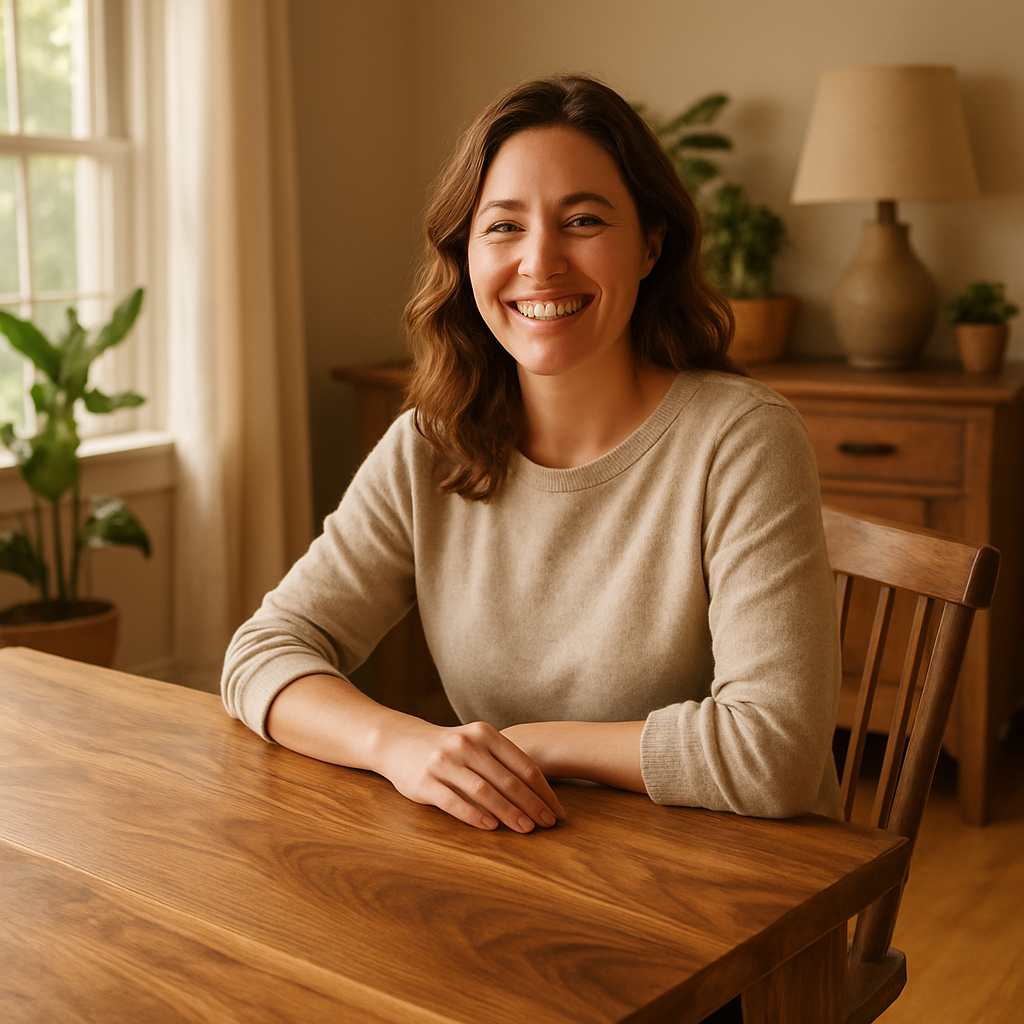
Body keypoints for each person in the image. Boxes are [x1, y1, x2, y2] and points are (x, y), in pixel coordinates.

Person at [221, 74, 843, 840]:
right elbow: (262, 652)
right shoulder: (432, 443)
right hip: (532, 865)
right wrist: (403, 746)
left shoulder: (741, 439)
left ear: (652, 244)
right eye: (504, 226)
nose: (540, 262)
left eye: (583, 220)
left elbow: (776, 752)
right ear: (467, 254)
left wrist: (530, 745)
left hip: (738, 890)